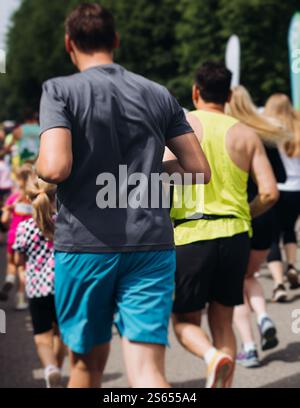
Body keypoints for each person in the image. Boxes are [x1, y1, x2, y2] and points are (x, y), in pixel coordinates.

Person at [36, 3, 210, 389]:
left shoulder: (59, 91)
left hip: (85, 247)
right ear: (115, 40)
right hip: (151, 244)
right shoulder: (158, 93)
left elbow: (54, 168)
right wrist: (141, 177)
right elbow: (199, 171)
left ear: (69, 43)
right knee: (149, 374)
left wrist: (39, 175)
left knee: (86, 368)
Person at [167, 62, 278, 387]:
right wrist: (244, 212)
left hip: (190, 235)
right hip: (235, 235)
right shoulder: (246, 133)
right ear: (229, 95)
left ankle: (212, 357)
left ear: (195, 91)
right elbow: (269, 193)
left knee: (184, 321)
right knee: (224, 322)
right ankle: (220, 362)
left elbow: (158, 182)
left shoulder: (180, 126)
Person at [226, 86, 288, 367]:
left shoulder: (227, 135)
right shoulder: (265, 133)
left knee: (234, 284)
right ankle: (263, 316)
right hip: (266, 216)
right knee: (249, 276)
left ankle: (249, 348)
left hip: (237, 216)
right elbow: (280, 177)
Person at [13, 176, 66, 388]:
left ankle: (50, 368)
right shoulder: (64, 222)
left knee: (42, 336)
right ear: (56, 196)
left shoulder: (24, 228)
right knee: (60, 334)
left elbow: (19, 261)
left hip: (36, 288)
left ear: (29, 198)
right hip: (62, 285)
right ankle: (57, 369)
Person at [265, 94, 300, 293]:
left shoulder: (269, 131)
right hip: (297, 189)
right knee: (289, 230)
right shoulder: (297, 128)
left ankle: (278, 283)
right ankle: (292, 266)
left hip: (278, 188)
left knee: (272, 236)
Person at [0, 164, 33, 309]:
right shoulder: (34, 198)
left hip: (14, 235)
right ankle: (20, 299)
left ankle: (9, 280)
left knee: (12, 265)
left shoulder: (13, 199)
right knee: (23, 269)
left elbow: (4, 221)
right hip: (29, 237)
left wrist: (8, 211)